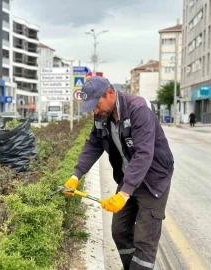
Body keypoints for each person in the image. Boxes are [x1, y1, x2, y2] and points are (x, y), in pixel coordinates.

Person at [64, 76, 174, 270]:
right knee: (120, 231)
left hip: (153, 179)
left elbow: (144, 153)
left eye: (96, 105)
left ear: (110, 93)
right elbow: (93, 144)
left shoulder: (138, 109)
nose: (95, 111)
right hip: (128, 175)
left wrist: (124, 193)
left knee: (144, 240)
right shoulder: (102, 116)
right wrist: (76, 175)